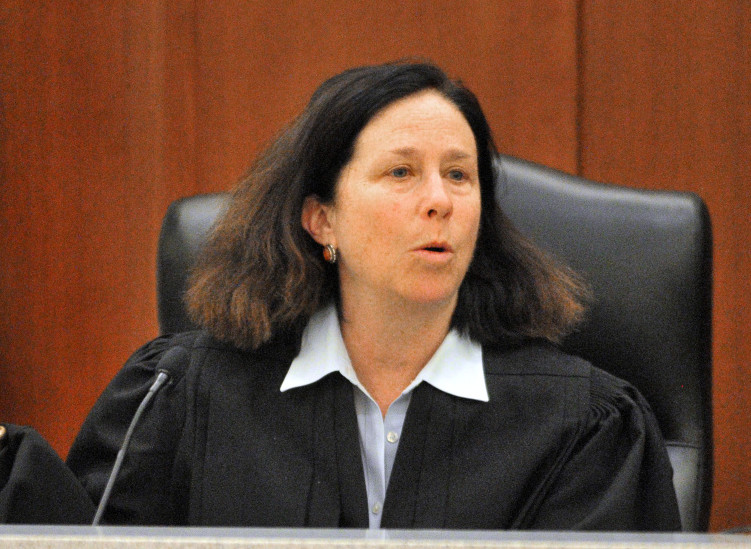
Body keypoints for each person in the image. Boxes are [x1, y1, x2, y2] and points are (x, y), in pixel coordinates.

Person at [63, 61, 680, 529]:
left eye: (459, 175)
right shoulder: (184, 398)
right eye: (401, 172)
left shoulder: (585, 425)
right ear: (321, 220)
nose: (440, 200)